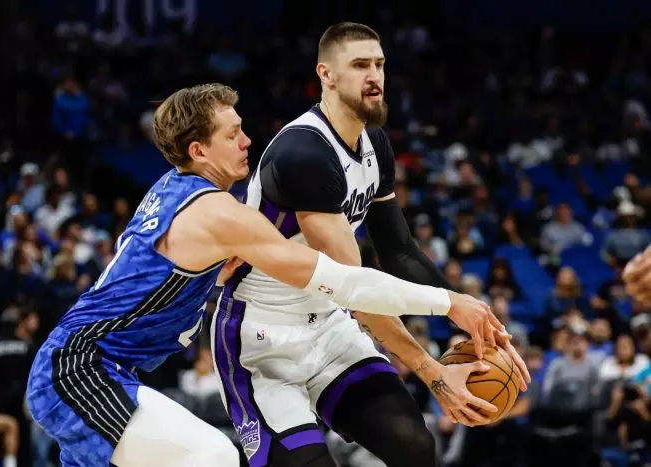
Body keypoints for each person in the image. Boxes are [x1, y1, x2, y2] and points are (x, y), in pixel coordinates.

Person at [25, 83, 503, 467]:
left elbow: (142, 273)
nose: (247, 141)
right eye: (232, 134)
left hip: (98, 367)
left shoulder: (173, 192)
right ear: (199, 149)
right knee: (211, 457)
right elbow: (343, 281)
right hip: (81, 370)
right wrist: (449, 301)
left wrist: (207, 276)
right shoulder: (220, 214)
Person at [212, 23, 530, 467]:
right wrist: (433, 372)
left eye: (379, 64)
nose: (374, 76)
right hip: (263, 339)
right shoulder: (302, 154)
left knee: (414, 447)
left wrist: (477, 324)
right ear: (326, 74)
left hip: (330, 328)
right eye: (360, 65)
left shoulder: (373, 144)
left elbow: (399, 250)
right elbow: (353, 286)